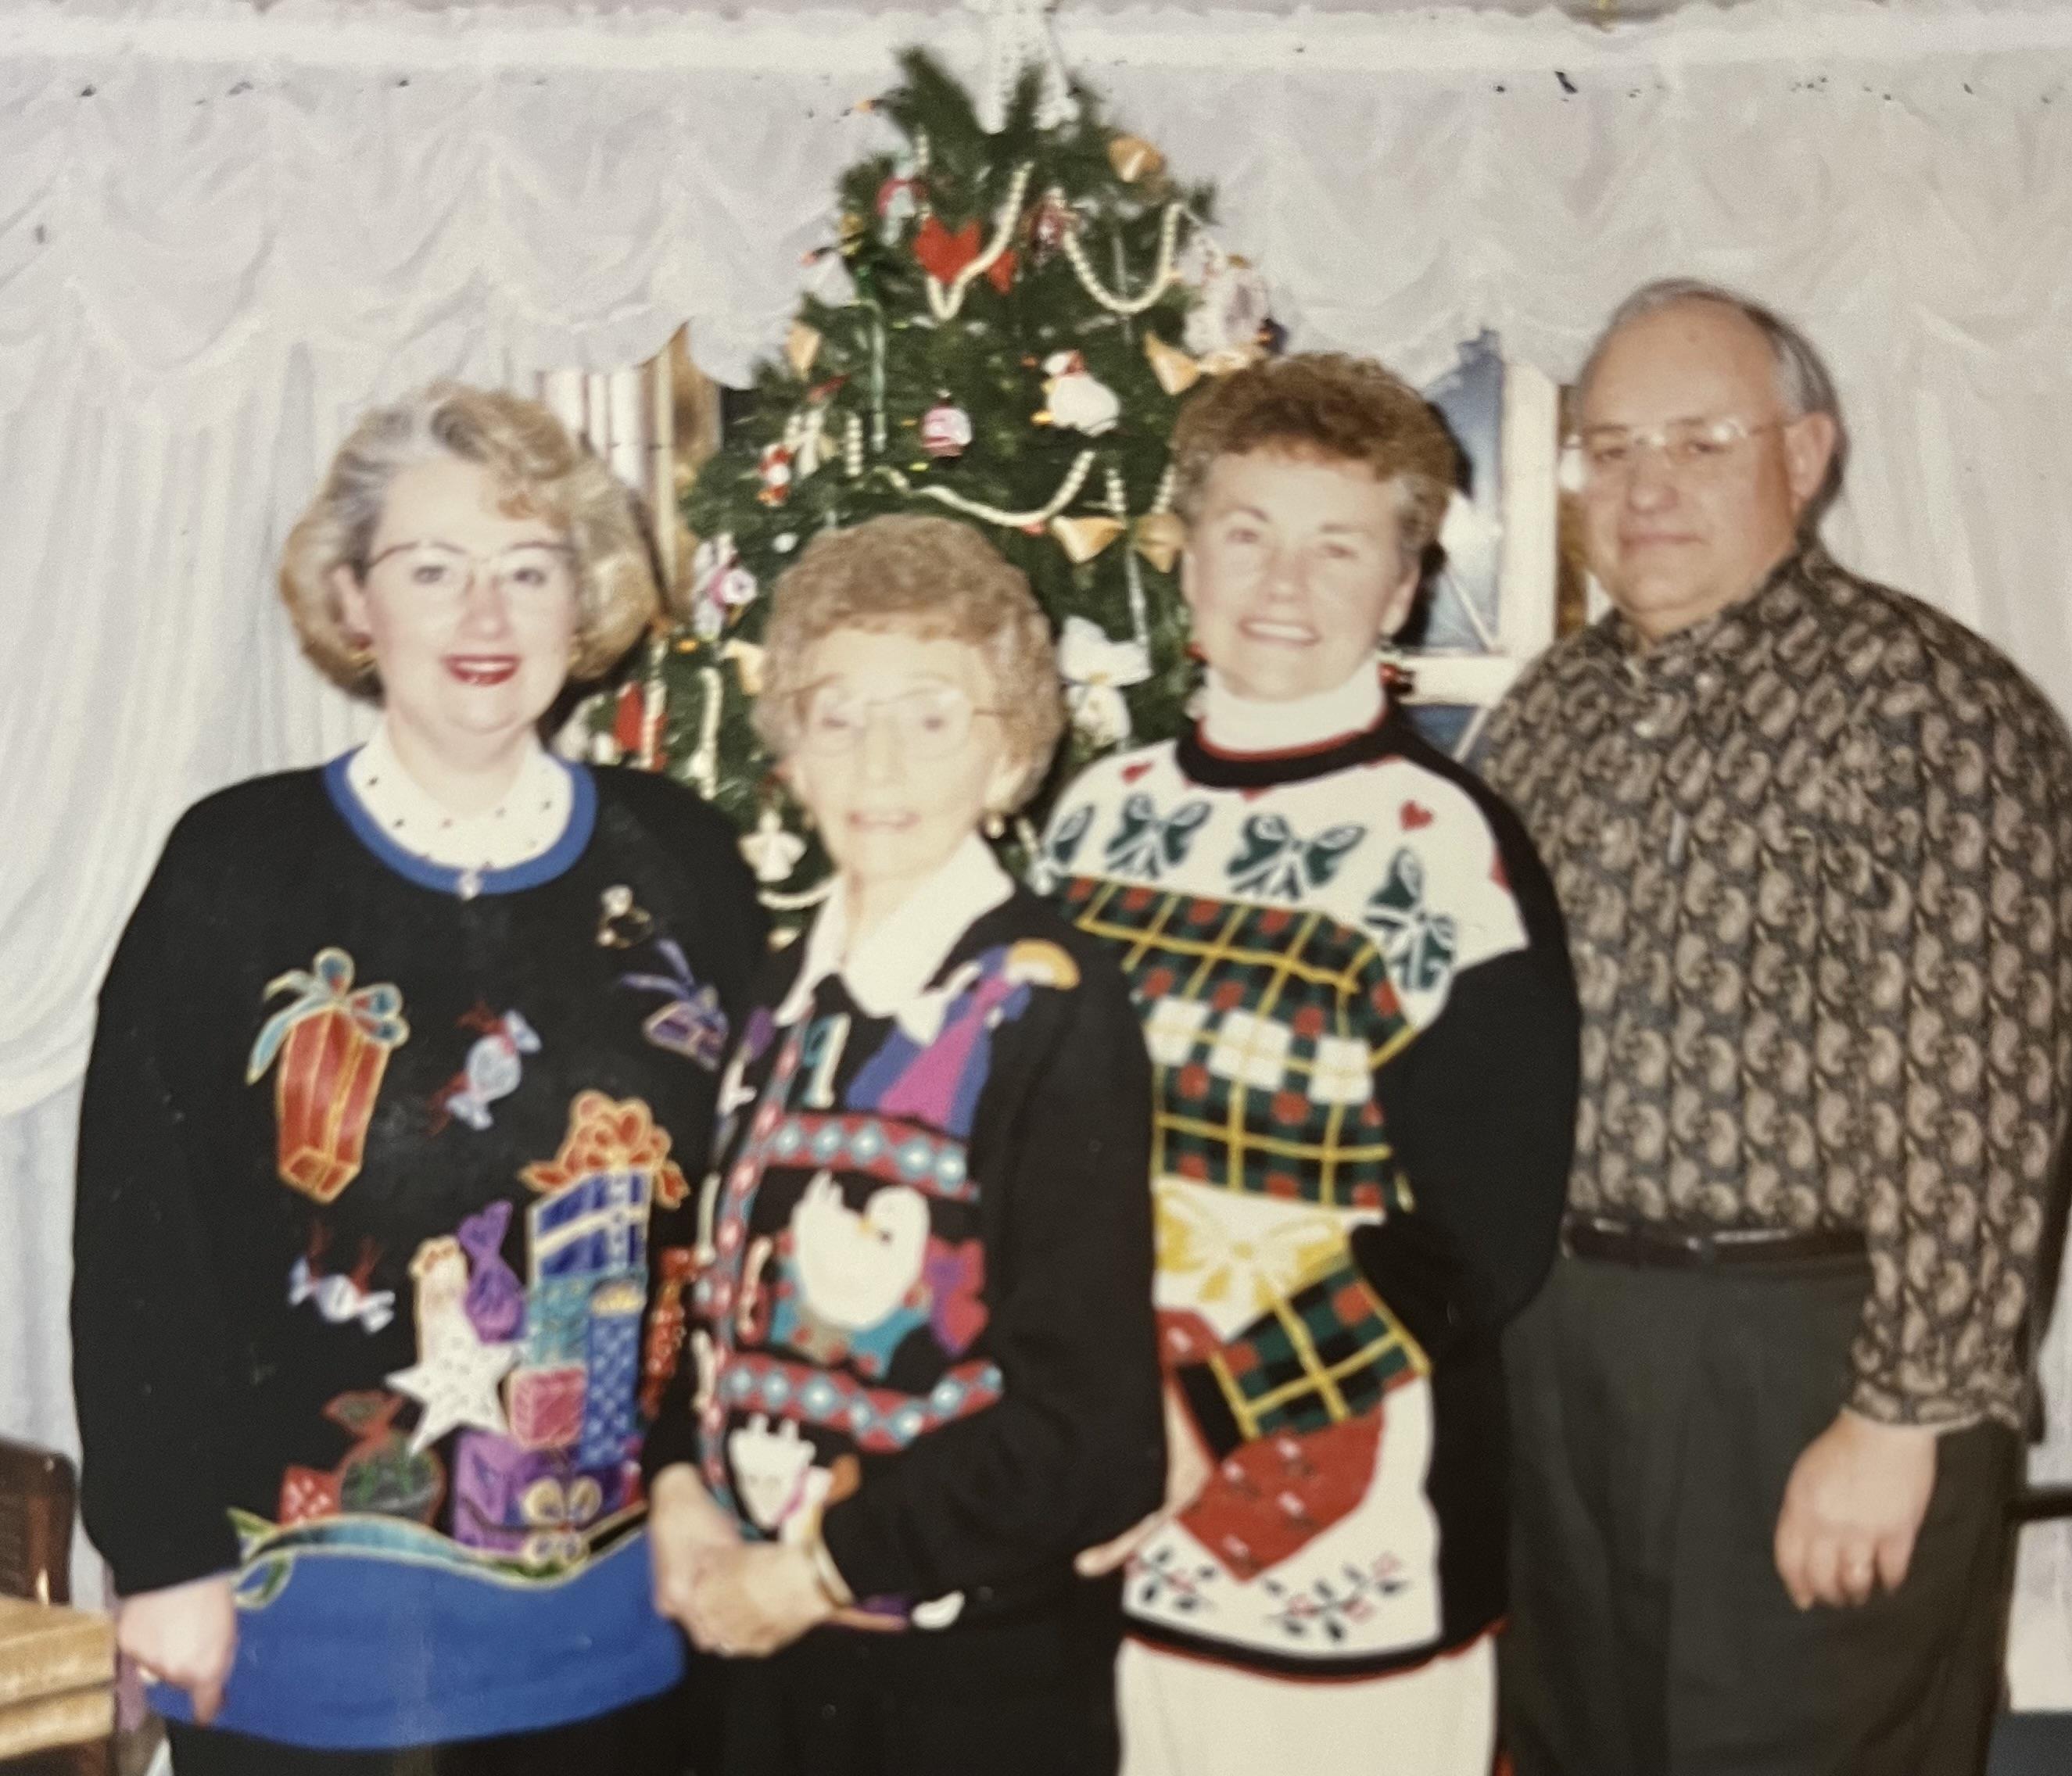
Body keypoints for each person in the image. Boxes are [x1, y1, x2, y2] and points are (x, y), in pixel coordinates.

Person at [72, 382, 765, 1774]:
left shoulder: (683, 857)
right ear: (353, 600)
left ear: (585, 597)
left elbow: (744, 1212)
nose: (486, 616)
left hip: (628, 1619)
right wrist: (161, 1557)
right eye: (434, 571)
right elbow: (143, 1240)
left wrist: (706, 1473)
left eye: (530, 571)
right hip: (311, 1630)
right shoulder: (237, 867)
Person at [1476, 279, 2072, 1776]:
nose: (1645, 488)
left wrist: (1900, 1421)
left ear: (1807, 454)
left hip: (1814, 1354)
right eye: (1609, 449)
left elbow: (1981, 1100)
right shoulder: (1545, 717)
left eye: (1700, 442)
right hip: (1561, 1346)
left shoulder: (1934, 715)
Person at [1039, 353, 1580, 1776]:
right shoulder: (1093, 820)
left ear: (1401, 589)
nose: (1283, 584)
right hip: (1101, 1509)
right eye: (1247, 532)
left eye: (1337, 546)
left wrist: (1208, 1413)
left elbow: (1480, 1244)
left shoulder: (1440, 849)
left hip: (1350, 1539)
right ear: (1184, 555)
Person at [645, 514, 1164, 1776]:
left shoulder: (1048, 1005)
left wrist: (816, 1571)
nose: (879, 760)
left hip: (963, 1684)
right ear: (793, 751)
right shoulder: (781, 995)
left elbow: (1091, 1435)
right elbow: (717, 1297)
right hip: (763, 1653)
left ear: (1009, 754)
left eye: (933, 716)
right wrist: (676, 1488)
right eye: (838, 715)